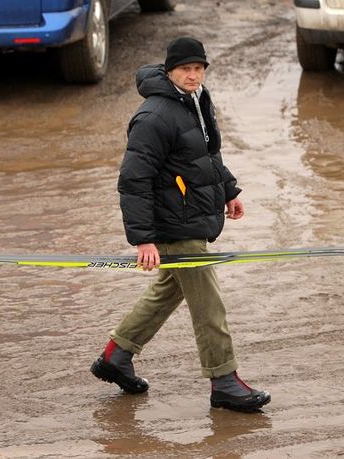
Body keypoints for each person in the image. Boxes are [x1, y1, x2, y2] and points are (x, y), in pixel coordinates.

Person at [90, 37, 270, 413]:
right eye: (185, 69)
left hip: (190, 216)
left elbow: (204, 155)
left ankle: (115, 356)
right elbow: (133, 179)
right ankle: (224, 381)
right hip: (174, 224)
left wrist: (228, 190)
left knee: (167, 293)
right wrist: (143, 240)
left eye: (198, 68)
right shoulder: (155, 116)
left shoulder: (196, 100)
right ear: (169, 71)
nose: (193, 75)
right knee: (209, 305)